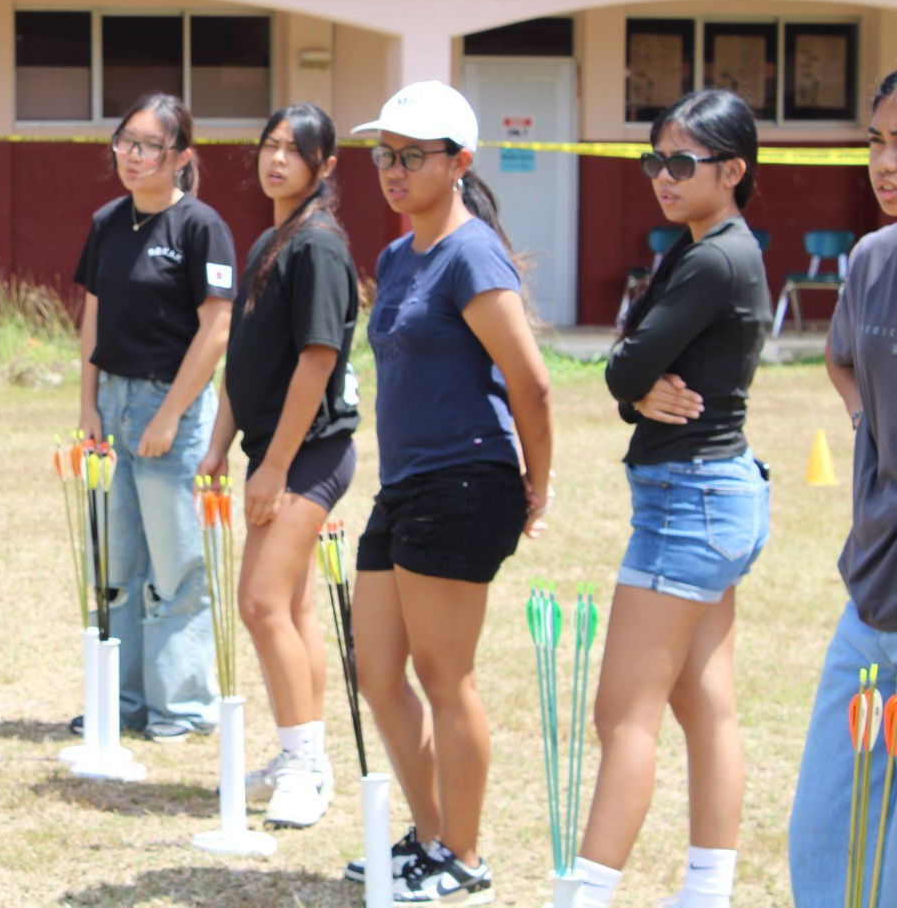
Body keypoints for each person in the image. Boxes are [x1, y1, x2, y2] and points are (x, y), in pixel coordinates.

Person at [347, 81, 554, 905]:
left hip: (468, 481)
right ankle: (431, 834)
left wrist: (539, 485)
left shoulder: (473, 254)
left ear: (459, 163)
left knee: (443, 673)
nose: (393, 170)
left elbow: (531, 384)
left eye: (411, 156)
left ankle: (462, 855)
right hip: (406, 486)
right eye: (383, 155)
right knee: (375, 669)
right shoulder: (399, 257)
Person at [575, 88, 771, 908]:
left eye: (681, 162)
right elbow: (631, 370)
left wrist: (633, 383)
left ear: (732, 170)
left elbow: (622, 364)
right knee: (702, 704)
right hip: (715, 493)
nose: (662, 175)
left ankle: (583, 896)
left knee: (621, 714)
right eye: (655, 159)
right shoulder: (712, 246)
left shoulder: (714, 256)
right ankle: (706, 892)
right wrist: (636, 386)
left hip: (689, 500)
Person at [197, 102, 359, 828]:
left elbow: (316, 362)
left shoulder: (319, 245)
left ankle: (307, 767)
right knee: (291, 608)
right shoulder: (271, 238)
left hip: (309, 452)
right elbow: (246, 358)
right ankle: (302, 752)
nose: (276, 159)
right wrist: (219, 442)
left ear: (325, 167)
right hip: (271, 449)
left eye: (295, 150)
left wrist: (275, 468)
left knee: (260, 602)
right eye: (268, 145)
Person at [71, 92, 236, 742]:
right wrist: (87, 402)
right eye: (125, 142)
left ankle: (180, 707)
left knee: (177, 566)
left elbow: (217, 328)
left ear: (181, 158)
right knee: (116, 564)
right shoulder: (108, 221)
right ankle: (122, 701)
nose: (133, 157)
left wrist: (169, 415)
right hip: (111, 403)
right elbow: (92, 316)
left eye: (148, 146)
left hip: (172, 407)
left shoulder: (200, 227)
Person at [787, 69, 897, 907]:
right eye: (876, 141)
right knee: (825, 836)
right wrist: (867, 431)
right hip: (872, 598)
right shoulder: (872, 259)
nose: (885, 163)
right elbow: (840, 357)